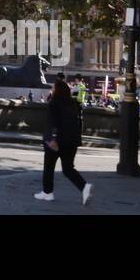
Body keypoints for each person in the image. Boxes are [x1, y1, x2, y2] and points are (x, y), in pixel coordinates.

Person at [35, 77, 92, 205]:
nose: (52, 89)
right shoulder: (75, 104)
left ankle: (47, 192)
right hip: (71, 141)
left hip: (57, 141)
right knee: (68, 168)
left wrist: (52, 138)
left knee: (49, 167)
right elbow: (78, 123)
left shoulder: (54, 103)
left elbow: (52, 122)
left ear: (58, 91)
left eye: (53, 88)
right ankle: (84, 187)